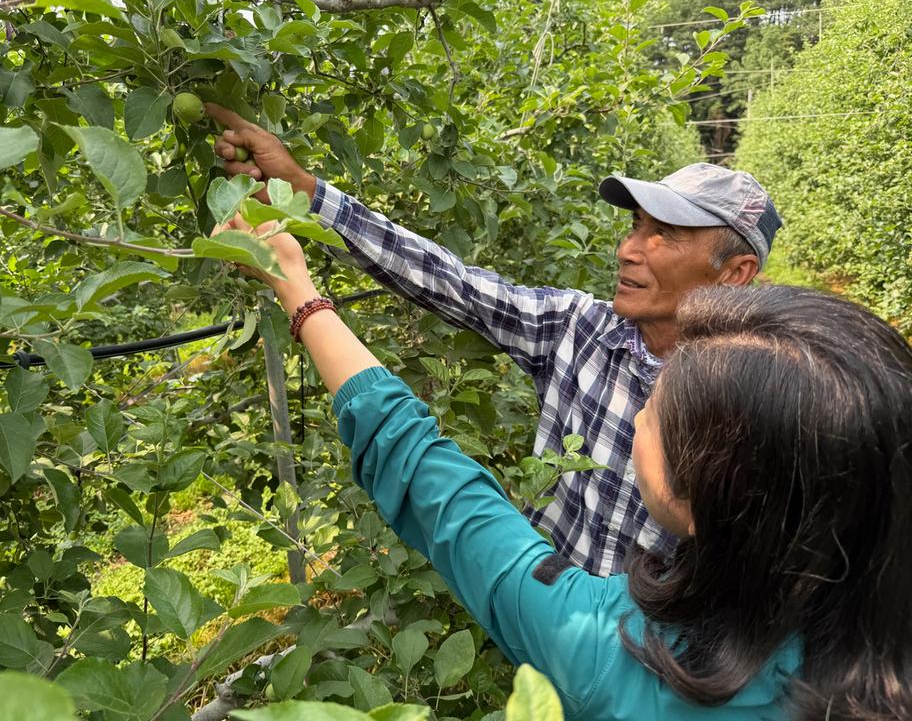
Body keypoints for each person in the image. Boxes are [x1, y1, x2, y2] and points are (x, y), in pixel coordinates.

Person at [221, 212, 912, 718]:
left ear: (713, 488)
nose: (630, 249)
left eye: (658, 413)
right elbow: (457, 285)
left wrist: (297, 292)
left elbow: (439, 487)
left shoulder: (606, 649)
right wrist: (316, 198)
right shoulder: (873, 613)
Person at [207, 103, 783, 576]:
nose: (629, 249)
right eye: (636, 226)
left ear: (734, 274)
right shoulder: (578, 330)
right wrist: (306, 192)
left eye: (666, 235)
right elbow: (450, 281)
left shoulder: (763, 405)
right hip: (538, 624)